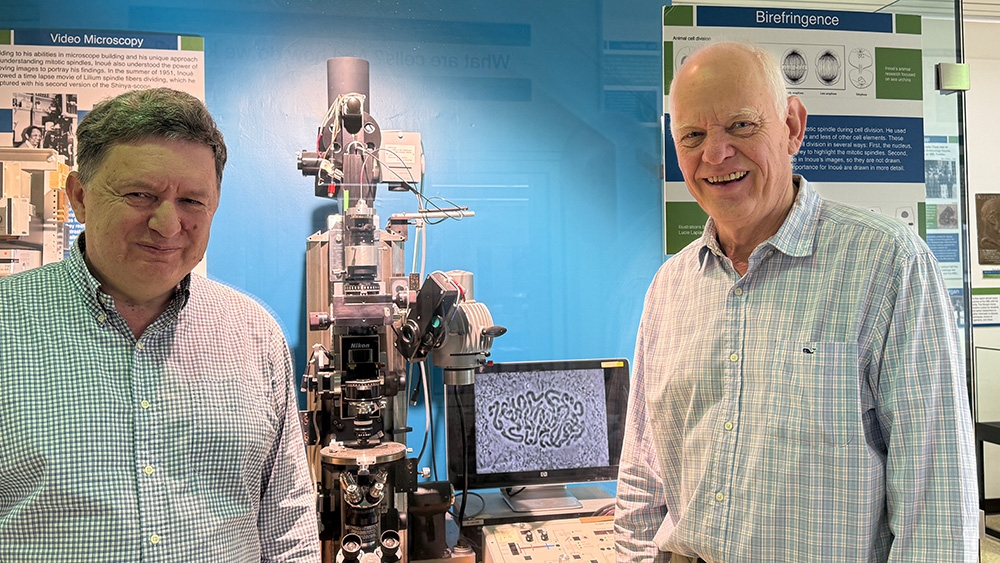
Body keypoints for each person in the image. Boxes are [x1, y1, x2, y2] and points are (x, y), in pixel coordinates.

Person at [614, 42, 978, 562]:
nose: (715, 154)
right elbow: (642, 477)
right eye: (693, 135)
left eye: (741, 126)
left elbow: (937, 504)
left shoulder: (888, 265)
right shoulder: (670, 287)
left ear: (792, 126)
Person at [0, 88, 320, 562]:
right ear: (80, 198)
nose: (168, 225)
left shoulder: (256, 334)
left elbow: (287, 523)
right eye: (139, 194)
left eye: (192, 200)